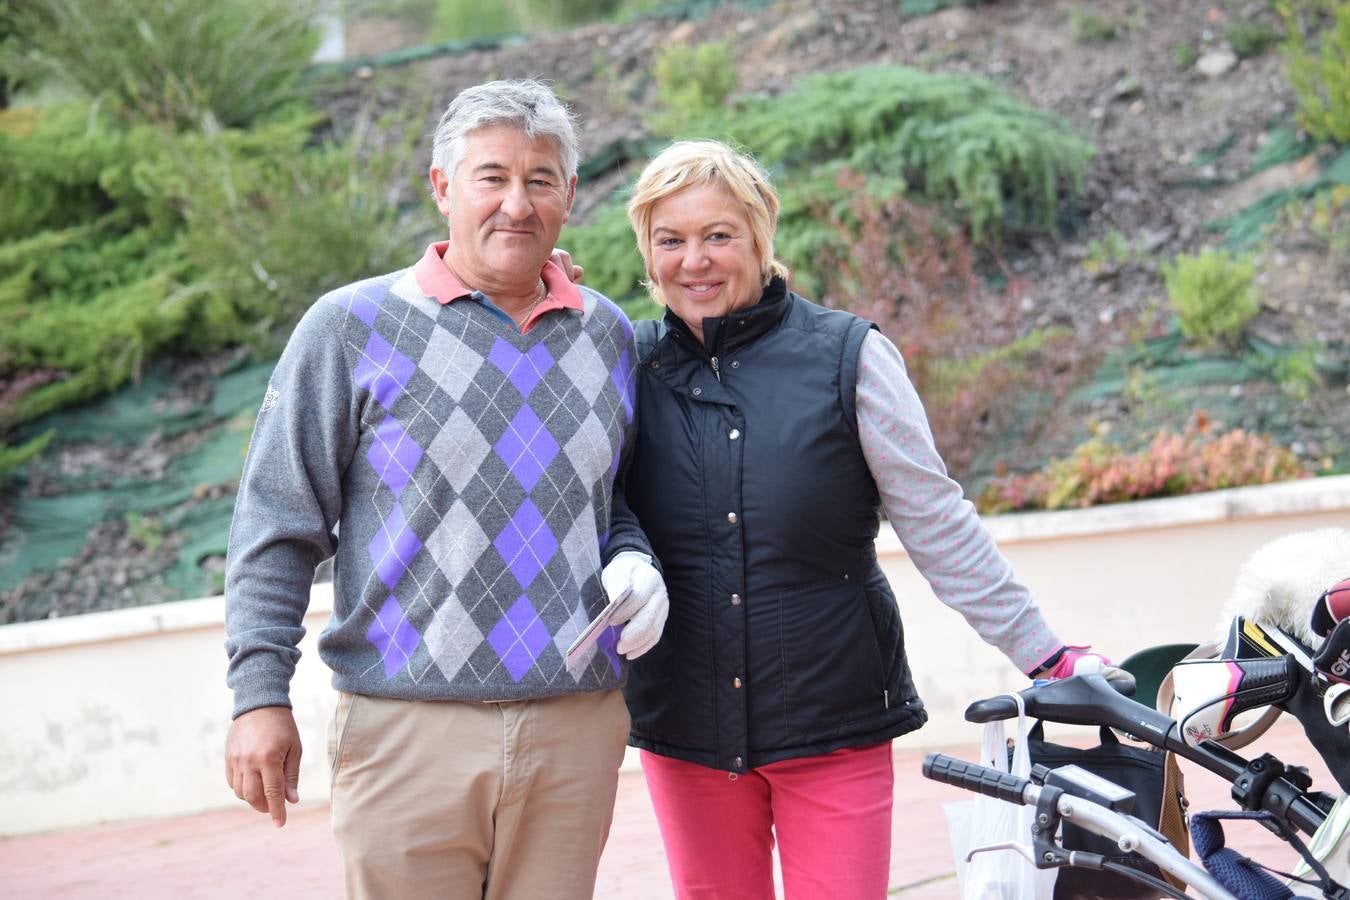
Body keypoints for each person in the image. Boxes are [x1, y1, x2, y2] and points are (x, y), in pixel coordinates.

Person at [617, 139, 1114, 899]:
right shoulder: (626, 364)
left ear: (760, 236)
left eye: (719, 235)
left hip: (832, 717)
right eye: (670, 240)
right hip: (686, 726)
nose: (696, 261)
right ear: (647, 254)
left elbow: (937, 521)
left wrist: (1045, 655)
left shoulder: (848, 357)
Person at [222, 79, 668, 900]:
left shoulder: (605, 333)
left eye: (540, 180)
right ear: (441, 187)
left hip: (573, 730)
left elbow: (615, 504)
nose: (516, 203)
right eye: (490, 176)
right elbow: (277, 522)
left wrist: (636, 561)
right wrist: (259, 697)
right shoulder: (349, 327)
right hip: (405, 730)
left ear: (570, 195)